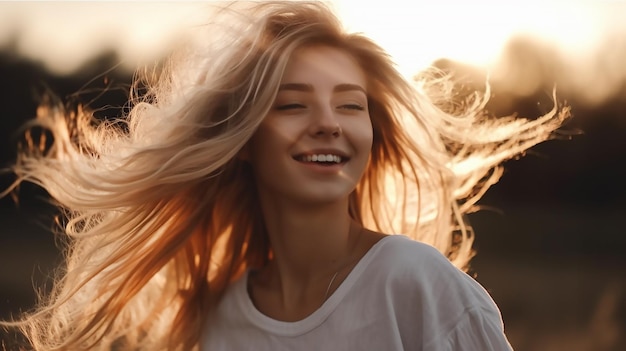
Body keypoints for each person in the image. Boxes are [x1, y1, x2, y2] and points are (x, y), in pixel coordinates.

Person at [1, 1, 570, 350]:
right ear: (244, 139)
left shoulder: (415, 285)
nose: (329, 125)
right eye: (293, 105)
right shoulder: (223, 317)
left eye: (351, 106)